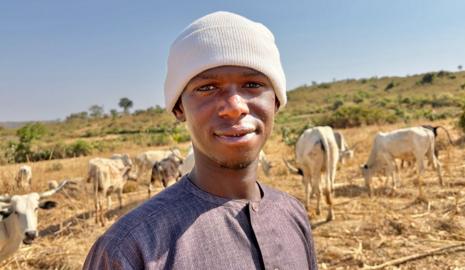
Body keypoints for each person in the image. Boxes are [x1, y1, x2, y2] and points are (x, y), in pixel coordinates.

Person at [83, 11, 317, 270]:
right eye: (207, 88)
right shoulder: (129, 251)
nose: (234, 106)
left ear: (275, 102)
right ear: (178, 108)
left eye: (252, 84)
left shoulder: (292, 214)